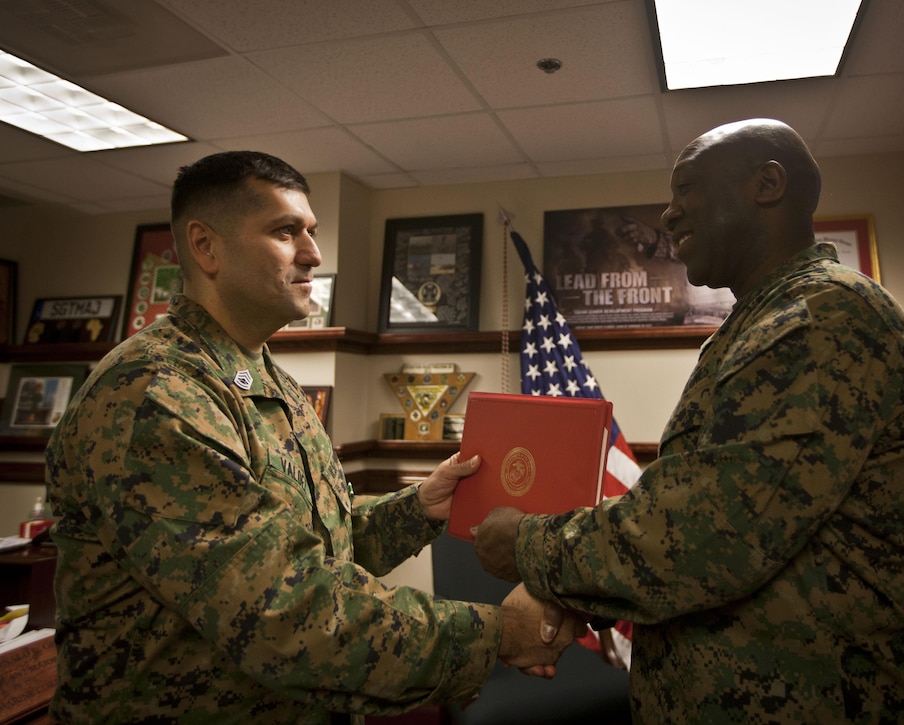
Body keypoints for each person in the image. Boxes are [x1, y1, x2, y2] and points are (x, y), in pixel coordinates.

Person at [45, 150, 582, 724]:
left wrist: (421, 509)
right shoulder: (157, 395)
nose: (314, 254)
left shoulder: (265, 376)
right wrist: (499, 634)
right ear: (206, 247)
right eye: (284, 231)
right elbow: (285, 611)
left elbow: (323, 546)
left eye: (311, 231)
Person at [474, 119, 904, 723]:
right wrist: (578, 593)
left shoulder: (822, 318)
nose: (668, 216)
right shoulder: (763, 323)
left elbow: (704, 535)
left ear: (768, 184)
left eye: (687, 189)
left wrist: (527, 545)